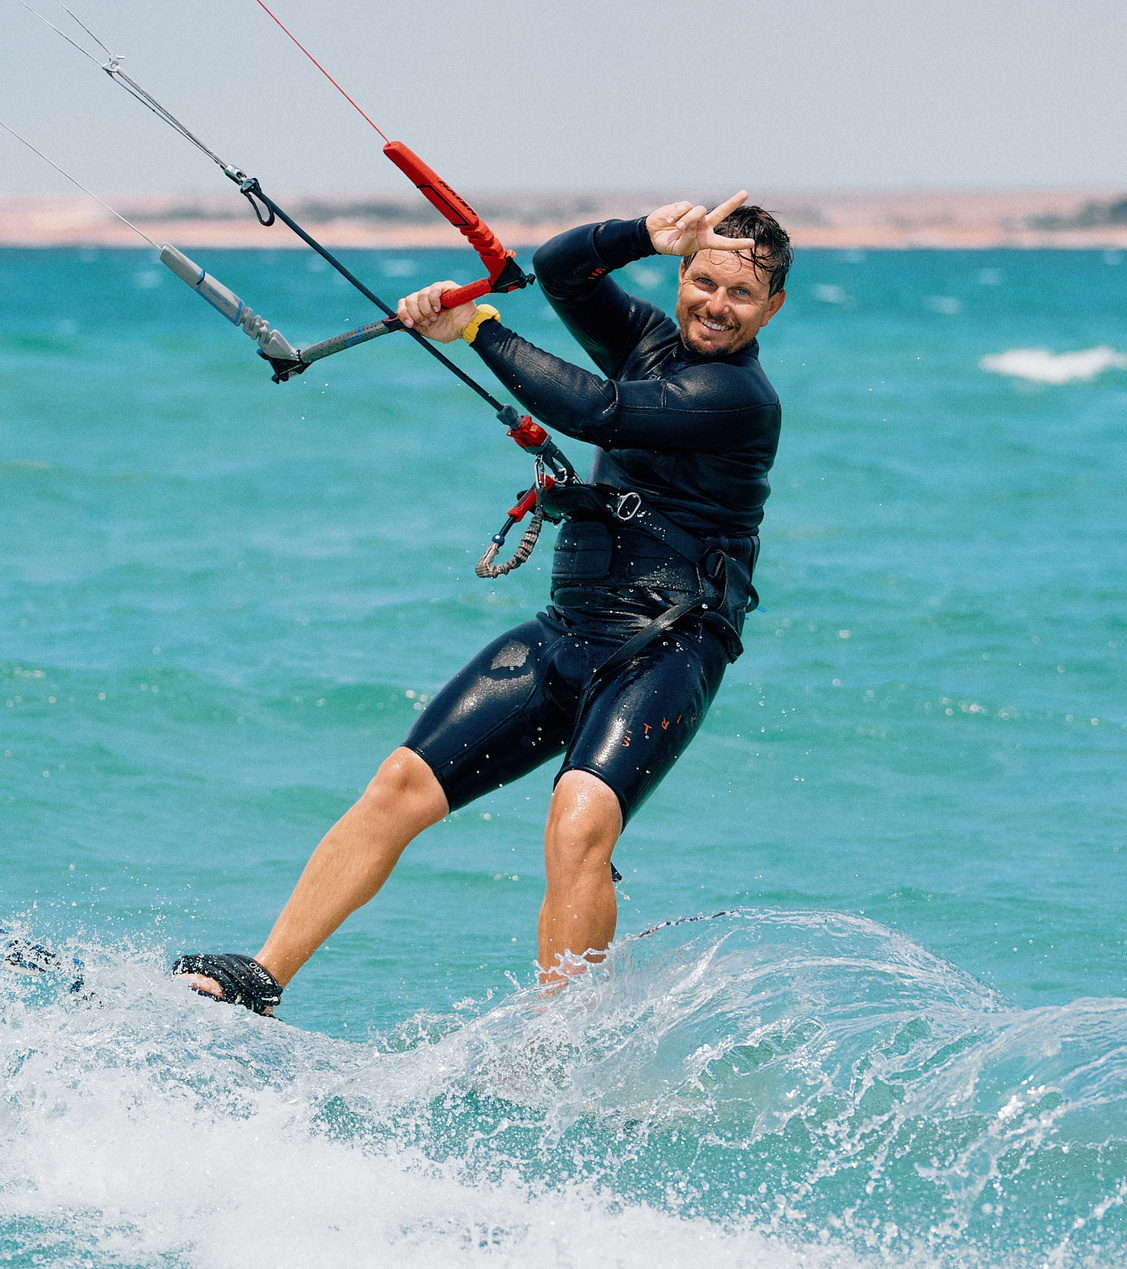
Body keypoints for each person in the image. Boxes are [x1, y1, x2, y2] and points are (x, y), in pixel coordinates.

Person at [175, 193, 789, 1016]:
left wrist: (475, 330)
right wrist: (640, 234)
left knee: (577, 826)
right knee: (401, 782)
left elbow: (596, 411)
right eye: (704, 281)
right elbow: (562, 270)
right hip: (572, 629)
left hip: (668, 646)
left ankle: (564, 1050)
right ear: (683, 275)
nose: (717, 305)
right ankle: (261, 976)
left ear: (771, 307)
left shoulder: (742, 400)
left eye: (741, 295)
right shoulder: (646, 341)